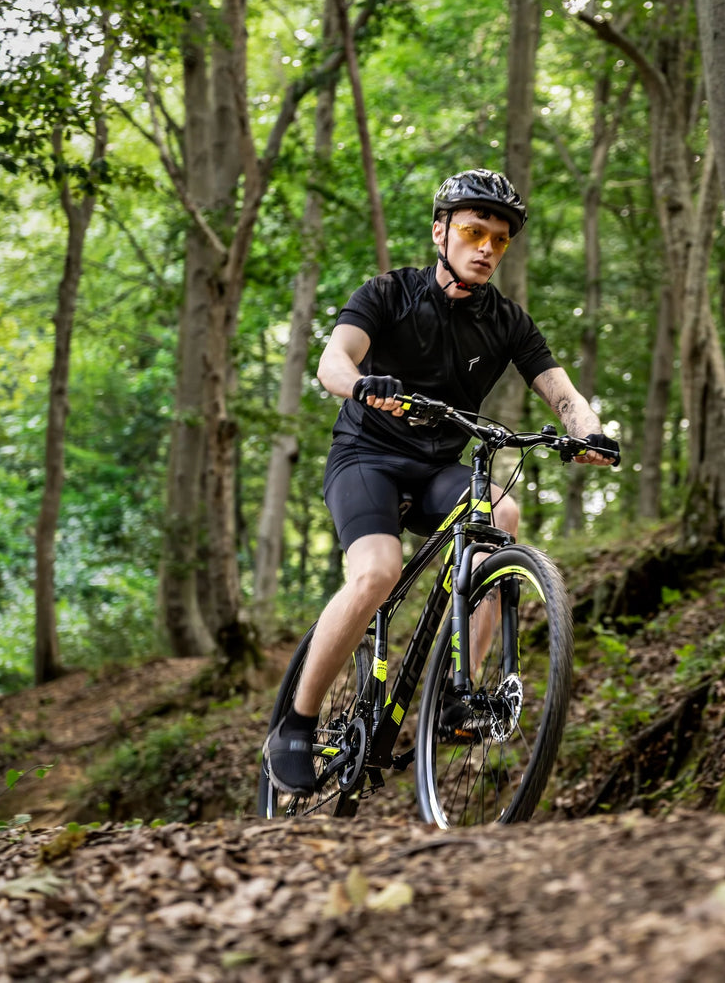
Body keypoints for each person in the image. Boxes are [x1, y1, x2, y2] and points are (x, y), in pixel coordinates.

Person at [264, 168, 618, 795]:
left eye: (499, 240)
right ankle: (295, 724)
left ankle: (460, 694)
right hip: (366, 457)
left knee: (502, 517)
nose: (486, 248)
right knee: (377, 573)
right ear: (440, 232)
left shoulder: (507, 321)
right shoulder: (389, 292)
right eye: (474, 233)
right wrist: (361, 386)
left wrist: (588, 432)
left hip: (436, 469)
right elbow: (333, 361)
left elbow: (563, 393)